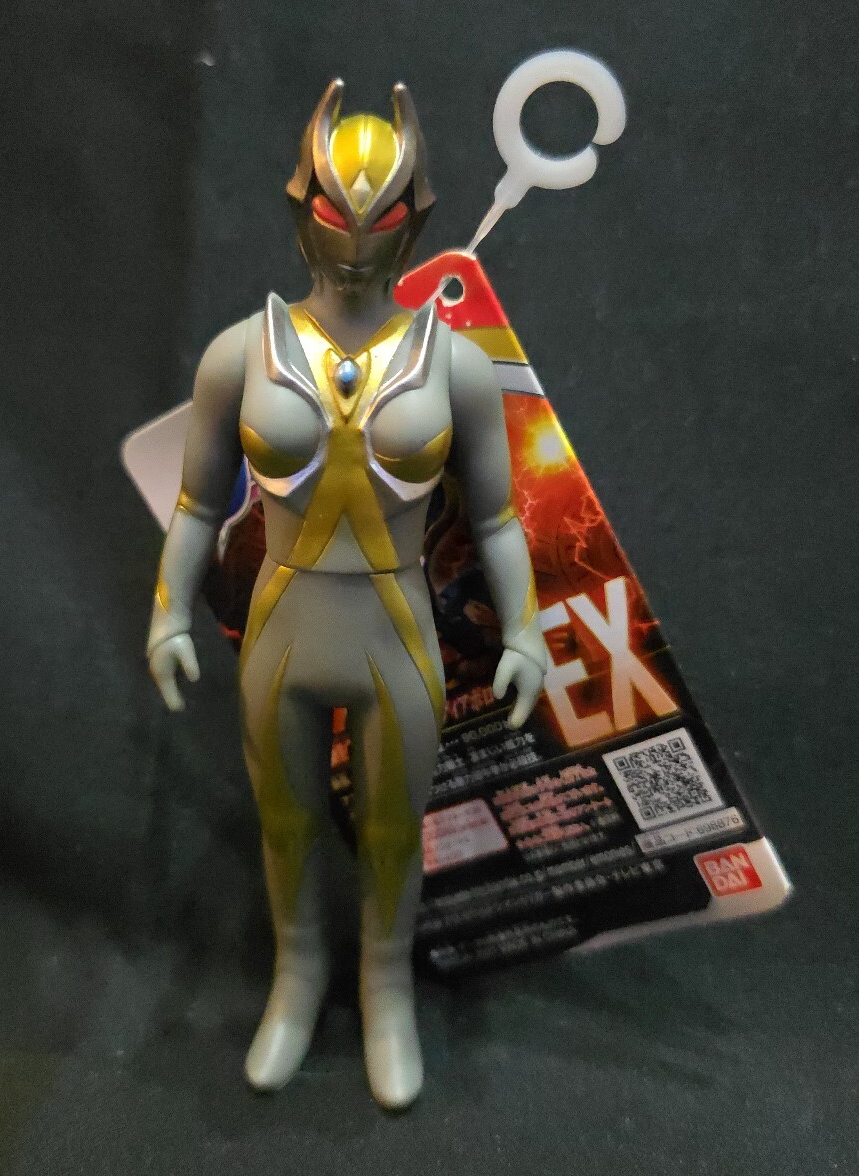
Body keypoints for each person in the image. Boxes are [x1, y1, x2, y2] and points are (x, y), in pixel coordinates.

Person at [146, 79, 545, 1110]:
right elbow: (197, 505)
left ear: (416, 217)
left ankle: (384, 986)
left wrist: (527, 631)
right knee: (284, 826)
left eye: (381, 213)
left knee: (393, 831)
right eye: (336, 210)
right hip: (281, 630)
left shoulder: (457, 365)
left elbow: (498, 519)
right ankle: (296, 978)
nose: (357, 238)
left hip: (395, 634)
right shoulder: (239, 355)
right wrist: (169, 611)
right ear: (302, 206)